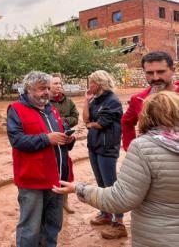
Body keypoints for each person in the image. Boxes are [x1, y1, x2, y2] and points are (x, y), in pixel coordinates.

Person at [53, 91, 179, 247]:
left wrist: (79, 188)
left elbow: (121, 199)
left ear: (147, 115)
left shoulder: (144, 147)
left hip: (157, 237)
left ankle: (117, 223)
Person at [7, 71, 74, 247]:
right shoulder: (16, 109)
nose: (46, 92)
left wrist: (68, 139)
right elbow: (17, 140)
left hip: (57, 178)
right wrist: (47, 139)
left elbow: (60, 132)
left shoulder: (51, 109)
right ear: (28, 89)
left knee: (53, 224)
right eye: (41, 88)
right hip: (33, 180)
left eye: (47, 88)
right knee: (30, 228)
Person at [82, 70, 126, 239]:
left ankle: (119, 221)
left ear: (99, 83)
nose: (89, 86)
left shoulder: (112, 100)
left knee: (111, 185)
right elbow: (85, 119)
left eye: (91, 83)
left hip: (107, 148)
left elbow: (101, 124)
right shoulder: (95, 100)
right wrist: (86, 102)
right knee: (101, 183)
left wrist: (90, 124)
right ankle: (105, 214)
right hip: (94, 146)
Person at [122, 51, 179, 151]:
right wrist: (130, 148)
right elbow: (126, 122)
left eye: (161, 72)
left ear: (172, 70)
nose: (155, 77)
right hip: (152, 158)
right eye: (149, 73)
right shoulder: (138, 99)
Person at [49, 73, 79, 214]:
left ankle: (64, 202)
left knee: (66, 173)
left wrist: (62, 121)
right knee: (51, 171)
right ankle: (51, 203)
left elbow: (76, 117)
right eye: (55, 83)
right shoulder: (45, 102)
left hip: (65, 142)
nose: (59, 86)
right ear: (48, 85)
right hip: (50, 144)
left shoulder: (68, 102)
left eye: (60, 83)